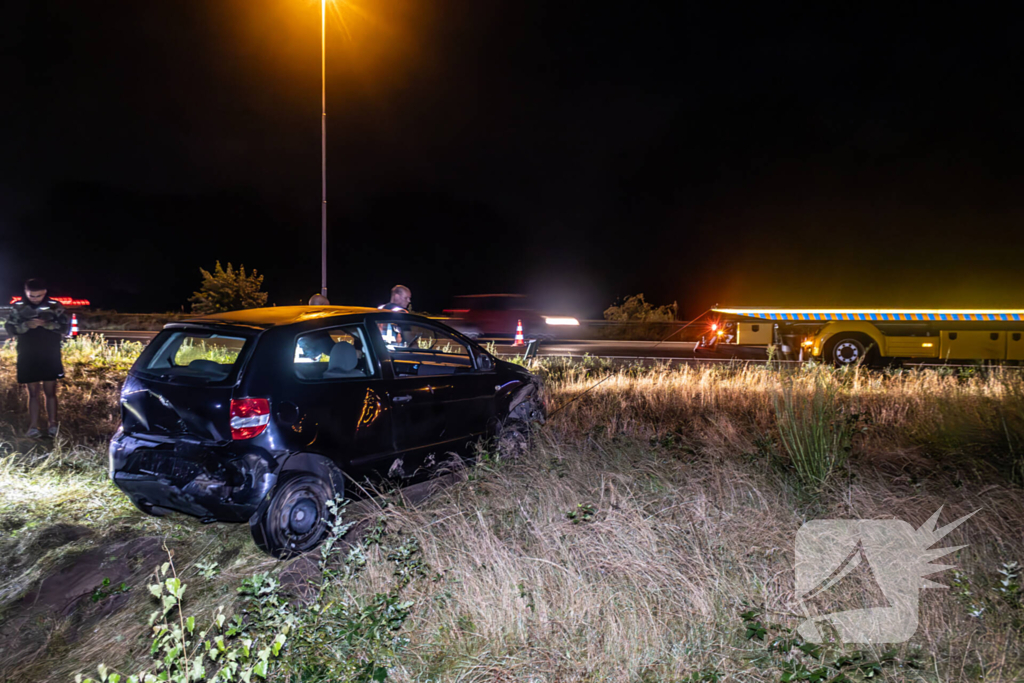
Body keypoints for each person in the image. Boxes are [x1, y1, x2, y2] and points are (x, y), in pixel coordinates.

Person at [5, 278, 70, 438]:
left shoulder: (55, 306)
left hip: (50, 353)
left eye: (39, 295)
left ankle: (53, 425)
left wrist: (48, 324)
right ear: (26, 292)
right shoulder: (19, 307)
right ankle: (33, 427)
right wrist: (25, 326)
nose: (35, 299)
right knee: (32, 392)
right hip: (27, 353)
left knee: (50, 391)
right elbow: (10, 328)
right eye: (32, 295)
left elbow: (65, 328)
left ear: (45, 292)